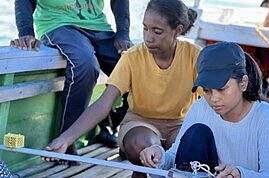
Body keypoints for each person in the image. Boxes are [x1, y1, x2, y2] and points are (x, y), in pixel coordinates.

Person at [43, 0, 200, 177]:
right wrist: (66, 138)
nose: (148, 37)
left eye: (157, 31)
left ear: (177, 31)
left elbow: (211, 103)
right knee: (143, 144)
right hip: (141, 125)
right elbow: (103, 105)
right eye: (145, 28)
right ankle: (140, 171)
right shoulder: (132, 57)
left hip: (178, 126)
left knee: (191, 144)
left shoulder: (195, 56)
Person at [10, 0, 132, 163]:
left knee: (133, 68)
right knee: (85, 64)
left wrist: (123, 33)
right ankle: (66, 141)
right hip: (58, 24)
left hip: (98, 26)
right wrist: (26, 32)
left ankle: (116, 129)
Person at [140, 42, 269, 178]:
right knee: (197, 132)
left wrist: (240, 173)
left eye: (221, 89)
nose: (214, 98)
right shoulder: (200, 107)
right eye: (207, 90)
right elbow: (175, 157)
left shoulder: (266, 115)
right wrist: (158, 155)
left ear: (243, 83)